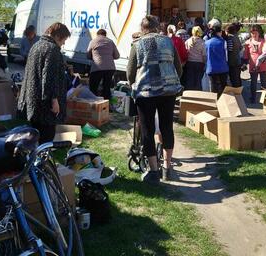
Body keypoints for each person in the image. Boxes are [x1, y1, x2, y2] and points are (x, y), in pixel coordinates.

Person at [127, 15, 182, 183]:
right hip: (168, 91)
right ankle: (167, 167)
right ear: (158, 27)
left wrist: (133, 84)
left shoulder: (137, 44)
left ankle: (153, 171)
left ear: (142, 28)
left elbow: (130, 72)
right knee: (167, 128)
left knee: (147, 130)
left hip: (146, 92)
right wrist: (170, 81)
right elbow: (178, 68)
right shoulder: (168, 41)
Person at [17, 23, 71, 143]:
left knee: (35, 135)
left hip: (33, 100)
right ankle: (42, 154)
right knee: (46, 137)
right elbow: (49, 77)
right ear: (58, 36)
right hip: (45, 105)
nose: (63, 43)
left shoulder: (36, 45)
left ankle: (35, 153)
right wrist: (54, 100)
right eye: (64, 39)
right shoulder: (52, 49)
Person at [86, 29, 120, 100]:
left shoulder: (93, 41)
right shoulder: (110, 41)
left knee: (93, 87)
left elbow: (88, 55)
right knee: (106, 88)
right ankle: (106, 104)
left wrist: (94, 57)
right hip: (110, 68)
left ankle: (93, 103)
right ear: (105, 35)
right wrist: (109, 56)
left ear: (97, 34)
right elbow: (117, 56)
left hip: (97, 67)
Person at [244, 24, 266, 103]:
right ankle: (253, 98)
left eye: (255, 33)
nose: (254, 35)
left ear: (259, 32)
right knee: (253, 82)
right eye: (252, 33)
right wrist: (244, 63)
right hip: (253, 65)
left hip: (263, 65)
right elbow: (246, 55)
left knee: (263, 83)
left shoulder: (264, 41)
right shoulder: (248, 42)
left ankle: (264, 99)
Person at [205, 21, 228, 98]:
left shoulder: (207, 43)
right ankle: (223, 102)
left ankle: (214, 102)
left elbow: (205, 55)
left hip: (211, 68)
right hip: (223, 68)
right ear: (219, 32)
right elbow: (226, 56)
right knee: (223, 87)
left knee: (213, 87)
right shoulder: (223, 42)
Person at [184, 26, 206, 90]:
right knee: (198, 81)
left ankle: (189, 94)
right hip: (199, 63)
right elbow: (204, 55)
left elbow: (185, 52)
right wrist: (205, 63)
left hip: (189, 62)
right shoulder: (202, 42)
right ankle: (198, 94)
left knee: (190, 81)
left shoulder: (187, 41)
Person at [226, 24, 242, 88]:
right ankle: (239, 91)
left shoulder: (229, 38)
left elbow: (229, 50)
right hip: (238, 60)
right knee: (238, 78)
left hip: (232, 62)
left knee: (233, 79)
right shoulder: (236, 37)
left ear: (227, 31)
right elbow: (240, 47)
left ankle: (236, 92)